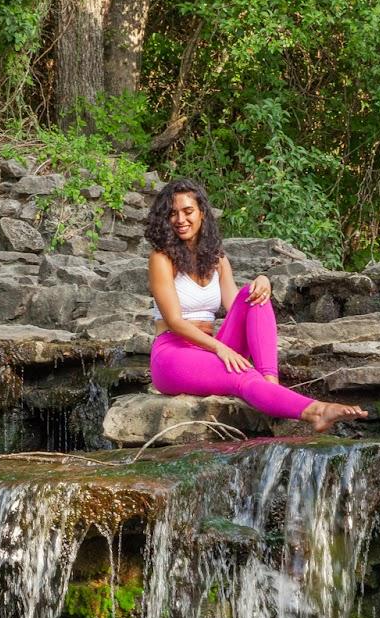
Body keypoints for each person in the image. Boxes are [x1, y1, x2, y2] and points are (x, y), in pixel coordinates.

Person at [146, 179, 368, 433]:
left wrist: (262, 282)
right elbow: (174, 321)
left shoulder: (216, 258)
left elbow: (237, 305)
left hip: (208, 348)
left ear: (202, 214)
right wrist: (221, 349)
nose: (180, 219)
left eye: (188, 212)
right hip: (173, 354)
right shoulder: (161, 258)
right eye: (172, 213)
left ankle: (270, 384)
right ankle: (316, 411)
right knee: (241, 374)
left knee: (255, 295)